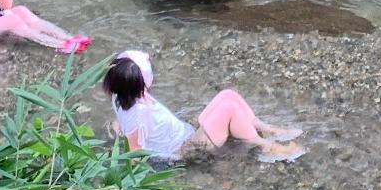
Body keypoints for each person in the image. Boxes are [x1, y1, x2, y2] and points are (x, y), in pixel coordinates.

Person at [101, 50, 302, 161]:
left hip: (185, 133)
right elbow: (136, 153)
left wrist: (119, 126)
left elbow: (128, 123)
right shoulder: (138, 112)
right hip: (185, 149)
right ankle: (266, 146)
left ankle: (264, 128)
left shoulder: (121, 95)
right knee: (228, 108)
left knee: (227, 94)